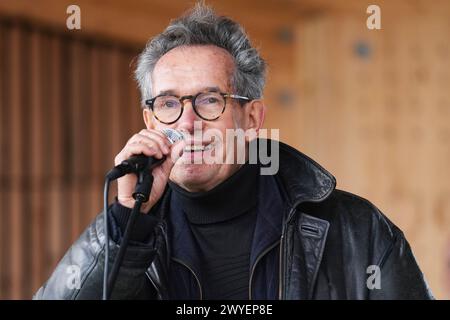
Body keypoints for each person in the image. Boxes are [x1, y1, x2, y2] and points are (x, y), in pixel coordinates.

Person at [34, 4, 433, 300]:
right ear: (151, 121)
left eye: (209, 100)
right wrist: (126, 225)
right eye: (169, 104)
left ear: (253, 117)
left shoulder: (357, 230)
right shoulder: (128, 228)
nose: (187, 123)